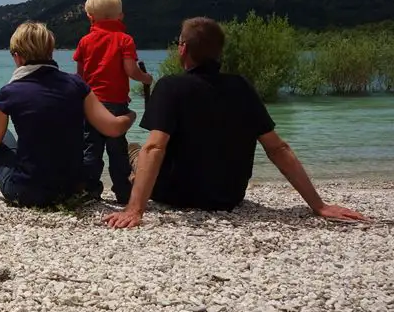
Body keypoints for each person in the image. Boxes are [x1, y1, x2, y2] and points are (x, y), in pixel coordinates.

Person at [104, 17, 369, 228]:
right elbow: (278, 149)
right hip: (229, 196)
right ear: (219, 52)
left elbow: (156, 148)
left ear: (183, 48)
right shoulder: (242, 86)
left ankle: (131, 174)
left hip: (176, 194)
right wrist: (319, 205)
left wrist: (134, 210)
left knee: (138, 149)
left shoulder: (171, 86)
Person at [0, 21, 137, 208]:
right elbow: (113, 128)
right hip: (72, 190)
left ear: (18, 57)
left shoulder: (9, 92)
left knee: (0, 137)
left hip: (28, 192)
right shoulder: (77, 84)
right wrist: (130, 114)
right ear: (50, 51)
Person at [74, 0, 153, 203]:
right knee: (117, 150)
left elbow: (80, 77)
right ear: (121, 16)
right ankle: (123, 192)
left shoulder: (84, 42)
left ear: (90, 17)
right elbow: (130, 70)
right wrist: (145, 79)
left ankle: (89, 190)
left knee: (91, 147)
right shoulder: (125, 39)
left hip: (91, 104)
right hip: (116, 104)